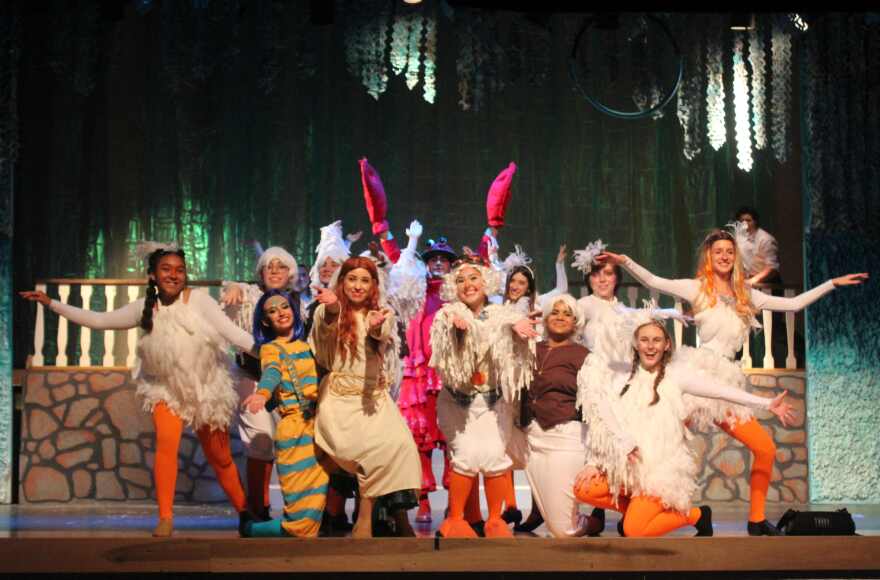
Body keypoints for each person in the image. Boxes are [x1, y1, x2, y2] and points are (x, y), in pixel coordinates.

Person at [596, 230, 867, 535]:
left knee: (764, 447)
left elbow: (794, 306)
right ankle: (633, 505)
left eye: (729, 252)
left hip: (725, 382)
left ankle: (756, 519)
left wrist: (831, 284)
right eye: (718, 252)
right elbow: (655, 282)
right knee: (652, 439)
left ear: (735, 257)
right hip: (693, 377)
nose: (724, 256)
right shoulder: (698, 288)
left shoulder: (748, 295)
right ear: (709, 258)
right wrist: (625, 261)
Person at [20, 243, 259, 537]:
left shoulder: (198, 300)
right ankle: (166, 518)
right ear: (153, 276)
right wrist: (51, 303)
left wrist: (272, 352)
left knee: (220, 458)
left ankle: (245, 513)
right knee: (166, 444)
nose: (174, 275)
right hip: (165, 389)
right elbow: (99, 320)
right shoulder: (146, 307)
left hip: (205, 389)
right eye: (166, 269)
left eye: (179, 270)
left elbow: (232, 333)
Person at [574, 304, 796, 537]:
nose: (651, 346)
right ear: (636, 344)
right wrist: (592, 463)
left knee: (633, 530)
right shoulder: (623, 379)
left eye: (657, 340)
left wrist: (766, 403)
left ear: (667, 344)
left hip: (659, 473)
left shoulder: (677, 376)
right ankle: (638, 511)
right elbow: (607, 422)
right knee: (583, 488)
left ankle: (697, 516)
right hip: (631, 469)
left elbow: (720, 391)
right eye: (645, 340)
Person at [308, 256, 422, 538]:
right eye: (352, 279)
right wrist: (333, 308)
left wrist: (375, 325)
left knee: (401, 446)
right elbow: (323, 336)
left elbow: (380, 332)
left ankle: (399, 516)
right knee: (368, 454)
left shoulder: (382, 312)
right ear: (342, 281)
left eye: (364, 280)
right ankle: (365, 519)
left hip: (374, 399)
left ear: (373, 285)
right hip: (340, 399)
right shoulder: (327, 310)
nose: (358, 286)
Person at [429, 254, 537, 538]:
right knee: (464, 456)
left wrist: (515, 330)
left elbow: (513, 326)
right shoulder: (448, 313)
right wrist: (456, 330)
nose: (468, 284)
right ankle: (454, 519)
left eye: (473, 278)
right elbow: (443, 344)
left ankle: (496, 521)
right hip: (458, 404)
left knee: (493, 456)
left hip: (492, 402)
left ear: (485, 281)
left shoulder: (501, 313)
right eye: (461, 280)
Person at [240, 290, 331, 537]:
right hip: (293, 430)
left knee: (313, 509)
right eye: (272, 310)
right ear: (265, 320)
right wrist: (263, 393)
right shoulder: (271, 349)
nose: (280, 313)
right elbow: (272, 373)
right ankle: (253, 529)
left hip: (317, 429)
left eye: (284, 307)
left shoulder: (308, 345)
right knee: (300, 512)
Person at [219, 245, 300, 520]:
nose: (275, 271)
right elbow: (225, 316)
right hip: (252, 378)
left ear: (291, 273)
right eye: (269, 266)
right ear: (261, 272)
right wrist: (232, 287)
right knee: (261, 442)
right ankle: (259, 508)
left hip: (289, 382)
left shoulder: (301, 301)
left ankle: (298, 510)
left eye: (281, 266)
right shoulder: (247, 296)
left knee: (291, 444)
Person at [733, 206, 780, 285]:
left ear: (755, 222)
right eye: (742, 221)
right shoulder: (738, 238)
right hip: (746, 282)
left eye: (748, 220)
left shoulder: (765, 239)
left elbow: (772, 268)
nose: (745, 223)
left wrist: (753, 281)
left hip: (767, 284)